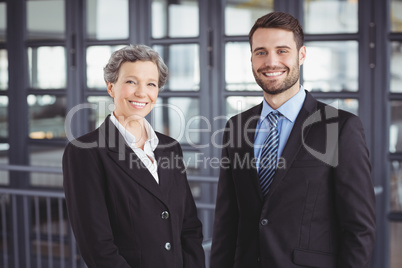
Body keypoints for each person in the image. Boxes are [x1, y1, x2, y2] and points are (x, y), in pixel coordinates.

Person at [210, 11, 376, 268]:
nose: (271, 61)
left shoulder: (339, 127)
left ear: (302, 55)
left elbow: (359, 228)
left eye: (282, 50)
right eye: (261, 52)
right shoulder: (237, 127)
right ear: (252, 58)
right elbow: (226, 220)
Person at [63, 44, 205, 268]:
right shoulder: (85, 152)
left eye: (151, 84)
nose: (142, 92)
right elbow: (97, 247)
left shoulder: (170, 147)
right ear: (111, 87)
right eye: (131, 82)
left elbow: (188, 225)